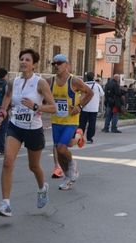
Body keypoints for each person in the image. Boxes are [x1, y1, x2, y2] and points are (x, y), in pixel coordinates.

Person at [0, 48, 56, 217]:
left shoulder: (40, 83)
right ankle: (5, 204)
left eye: (27, 60)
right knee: (7, 162)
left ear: (34, 64)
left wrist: (36, 107)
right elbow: (7, 97)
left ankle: (42, 188)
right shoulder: (13, 82)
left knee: (33, 166)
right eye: (22, 59)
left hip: (33, 129)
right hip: (15, 126)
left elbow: (53, 107)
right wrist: (2, 113)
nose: (23, 62)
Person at [47, 54, 93, 190]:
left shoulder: (74, 81)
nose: (56, 65)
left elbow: (89, 93)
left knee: (62, 148)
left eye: (59, 63)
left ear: (67, 65)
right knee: (59, 152)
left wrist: (79, 106)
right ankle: (67, 176)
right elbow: (39, 92)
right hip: (56, 121)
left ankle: (72, 164)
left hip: (70, 121)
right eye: (53, 63)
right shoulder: (50, 81)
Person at [79, 71, 104, 144]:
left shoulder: (83, 85)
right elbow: (102, 94)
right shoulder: (97, 86)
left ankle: (80, 137)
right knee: (92, 123)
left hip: (84, 107)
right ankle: (89, 138)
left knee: (82, 123)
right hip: (94, 108)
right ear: (93, 77)